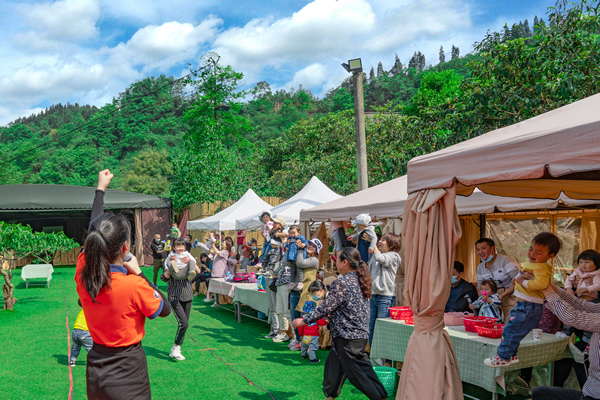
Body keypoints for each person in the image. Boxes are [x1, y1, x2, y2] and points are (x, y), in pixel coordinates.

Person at [75, 170, 171, 400]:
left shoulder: (84, 276)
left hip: (95, 368)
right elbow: (165, 309)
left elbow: (95, 230)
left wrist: (100, 190)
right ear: (126, 247)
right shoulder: (133, 285)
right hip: (128, 373)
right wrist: (139, 272)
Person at [293, 247, 387, 400]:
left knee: (360, 375)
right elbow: (346, 307)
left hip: (348, 337)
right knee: (334, 368)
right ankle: (330, 396)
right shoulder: (360, 280)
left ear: (344, 262)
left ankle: (380, 398)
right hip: (354, 335)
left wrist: (304, 320)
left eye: (336, 260)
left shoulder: (342, 282)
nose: (335, 262)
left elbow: (325, 307)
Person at [484, 232, 561, 367]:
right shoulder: (535, 264)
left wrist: (522, 282)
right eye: (531, 249)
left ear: (550, 256)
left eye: (538, 253)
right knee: (513, 331)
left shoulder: (542, 268)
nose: (532, 254)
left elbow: (541, 284)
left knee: (511, 331)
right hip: (524, 305)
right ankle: (511, 355)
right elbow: (522, 277)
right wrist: (519, 279)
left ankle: (503, 357)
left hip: (528, 307)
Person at [531, 281, 600, 400]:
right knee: (539, 393)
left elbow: (572, 317)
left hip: (595, 395)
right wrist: (549, 286)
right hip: (591, 390)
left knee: (540, 394)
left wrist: (545, 288)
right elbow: (579, 304)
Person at [161, 242, 199, 361]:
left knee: (184, 323)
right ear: (173, 248)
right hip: (174, 295)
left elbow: (197, 270)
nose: (180, 249)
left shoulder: (187, 257)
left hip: (187, 295)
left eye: (182, 246)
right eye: (177, 246)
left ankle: (177, 348)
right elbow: (164, 277)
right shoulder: (170, 259)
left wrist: (189, 262)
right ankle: (176, 347)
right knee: (184, 323)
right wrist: (171, 264)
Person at [365, 233, 401, 345]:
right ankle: (375, 358)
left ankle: (388, 361)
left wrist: (373, 241)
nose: (380, 242)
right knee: (370, 330)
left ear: (391, 245)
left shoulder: (394, 256)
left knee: (384, 330)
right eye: (379, 239)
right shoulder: (376, 256)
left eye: (383, 240)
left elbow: (382, 259)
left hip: (386, 297)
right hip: (373, 295)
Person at [559, 249, 600, 346]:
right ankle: (566, 334)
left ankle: (587, 341)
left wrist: (586, 289)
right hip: (579, 301)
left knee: (588, 321)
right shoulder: (578, 271)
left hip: (592, 302)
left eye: (587, 262)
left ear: (596, 264)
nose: (583, 264)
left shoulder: (597, 273)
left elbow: (598, 285)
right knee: (570, 316)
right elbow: (569, 279)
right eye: (581, 262)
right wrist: (568, 288)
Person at [475, 238, 520, 323]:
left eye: (483, 248)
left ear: (493, 249)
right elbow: (479, 288)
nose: (480, 252)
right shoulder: (480, 268)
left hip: (509, 298)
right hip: (491, 302)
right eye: (478, 250)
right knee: (492, 327)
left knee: (508, 326)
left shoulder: (505, 260)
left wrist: (502, 296)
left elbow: (518, 282)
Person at [290, 238, 323, 352]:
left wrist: (299, 248)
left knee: (306, 320)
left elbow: (300, 263)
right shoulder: (305, 256)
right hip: (296, 291)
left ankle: (308, 343)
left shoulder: (314, 260)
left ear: (316, 251)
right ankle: (299, 341)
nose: (309, 246)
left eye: (313, 246)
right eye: (309, 244)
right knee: (295, 318)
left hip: (308, 294)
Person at [298, 280, 329, 363]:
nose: (313, 296)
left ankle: (303, 355)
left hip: (305, 336)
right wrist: (327, 321)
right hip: (314, 335)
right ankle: (312, 358)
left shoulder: (303, 318)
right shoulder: (316, 318)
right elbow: (322, 322)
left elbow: (300, 328)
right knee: (312, 348)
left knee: (304, 346)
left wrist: (301, 335)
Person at [206, 241, 233, 306]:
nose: (221, 243)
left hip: (220, 273)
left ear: (226, 246)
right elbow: (211, 251)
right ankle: (215, 301)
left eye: (223, 243)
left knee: (222, 289)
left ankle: (231, 301)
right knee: (216, 288)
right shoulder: (219, 251)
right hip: (215, 272)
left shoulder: (225, 252)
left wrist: (213, 245)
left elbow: (217, 252)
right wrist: (210, 245)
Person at [69, 298, 93, 367]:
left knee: (75, 347)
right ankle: (96, 361)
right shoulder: (90, 311)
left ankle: (72, 361)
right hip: (83, 333)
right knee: (91, 348)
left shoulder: (81, 311)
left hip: (75, 332)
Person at [286, 225, 309, 291]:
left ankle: (300, 282)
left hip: (298, 256)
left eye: (294, 233)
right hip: (291, 257)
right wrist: (286, 246)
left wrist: (303, 244)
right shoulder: (289, 238)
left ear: (299, 232)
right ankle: (292, 281)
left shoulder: (300, 237)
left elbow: (306, 242)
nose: (292, 235)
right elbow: (285, 245)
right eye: (291, 233)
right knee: (292, 270)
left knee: (299, 269)